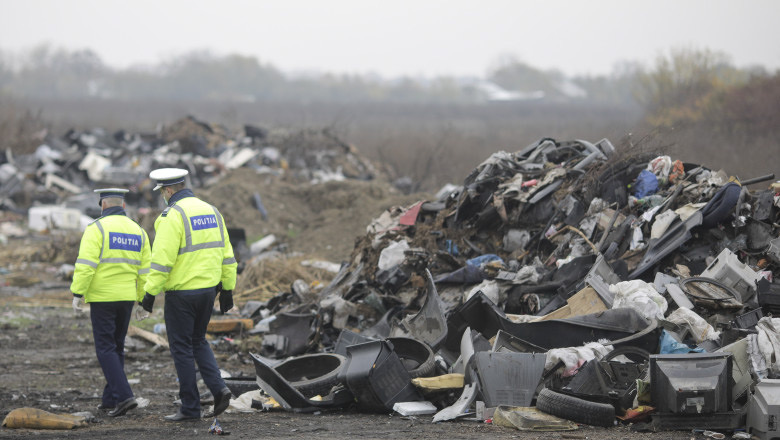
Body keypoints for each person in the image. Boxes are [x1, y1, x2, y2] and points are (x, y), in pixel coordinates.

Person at [140, 168, 237, 421]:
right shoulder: (212, 211)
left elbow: (162, 261)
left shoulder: (172, 215)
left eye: (162, 191)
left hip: (182, 294)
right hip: (208, 292)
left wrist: (149, 295)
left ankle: (190, 407)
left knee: (181, 348)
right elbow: (227, 254)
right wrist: (227, 288)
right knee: (198, 341)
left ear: (169, 190)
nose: (163, 195)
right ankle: (219, 388)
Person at [71, 188, 151, 417]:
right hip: (126, 298)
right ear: (123, 206)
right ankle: (110, 398)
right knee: (117, 347)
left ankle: (124, 397)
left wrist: (78, 293)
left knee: (105, 348)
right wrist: (142, 300)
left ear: (102, 205)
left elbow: (86, 265)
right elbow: (145, 271)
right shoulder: (139, 231)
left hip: (103, 298)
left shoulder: (96, 229)